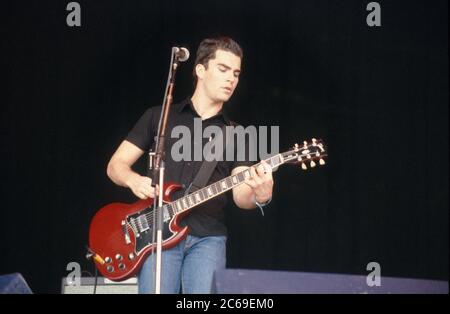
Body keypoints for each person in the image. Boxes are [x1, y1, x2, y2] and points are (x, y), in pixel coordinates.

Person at [106, 37, 274, 294]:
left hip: (208, 238)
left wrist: (260, 195)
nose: (232, 79)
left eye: (236, 73)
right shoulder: (159, 117)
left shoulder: (237, 134)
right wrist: (134, 180)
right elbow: (115, 165)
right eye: (223, 69)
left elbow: (241, 194)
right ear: (200, 70)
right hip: (157, 235)